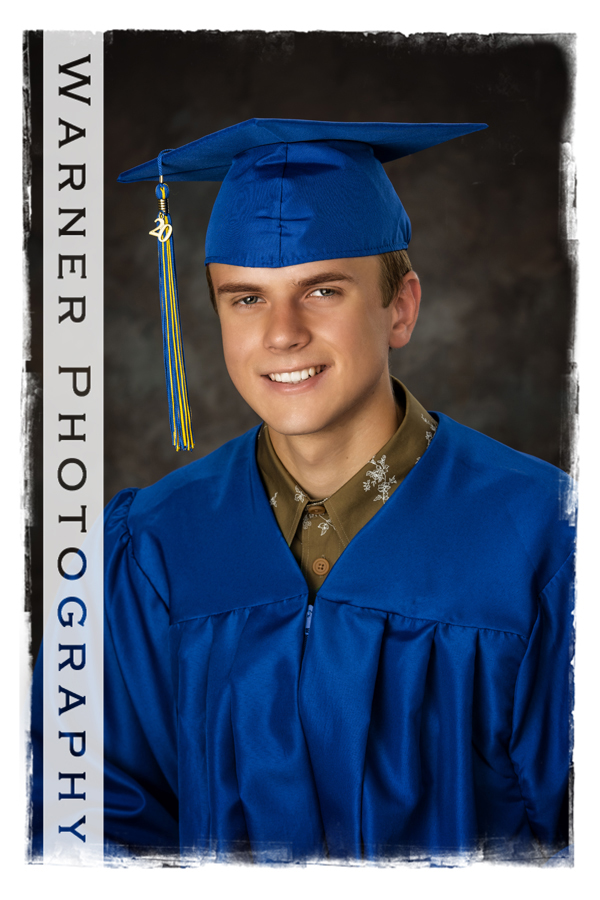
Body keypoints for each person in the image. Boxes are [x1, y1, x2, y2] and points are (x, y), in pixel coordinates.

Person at [51, 120, 578, 864]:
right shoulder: (149, 551)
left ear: (400, 309)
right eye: (246, 299)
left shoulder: (550, 544)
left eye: (322, 290)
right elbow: (81, 816)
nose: (282, 333)